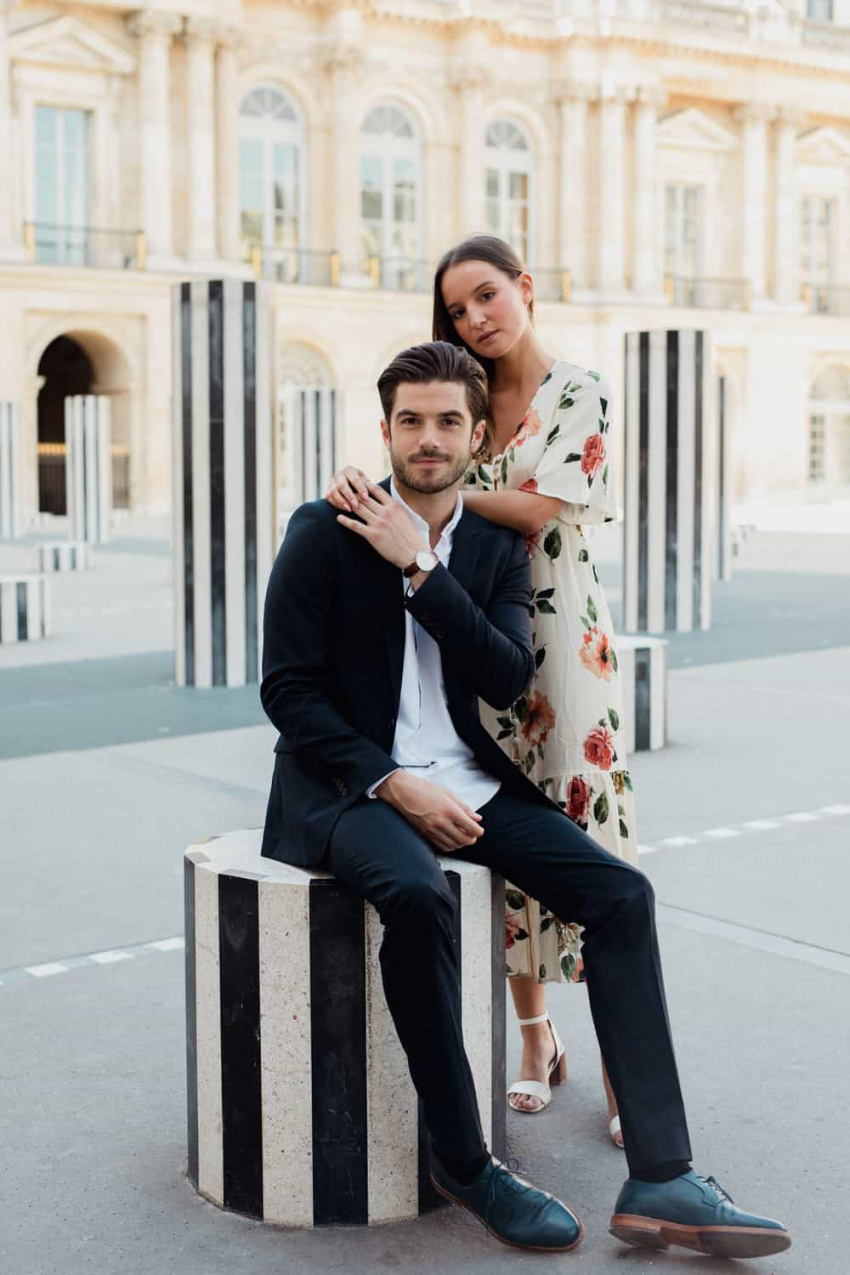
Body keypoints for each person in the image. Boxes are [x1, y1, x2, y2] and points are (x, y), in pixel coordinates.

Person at [260, 339, 790, 1258]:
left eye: (449, 422)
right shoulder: (322, 529)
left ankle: (663, 1173)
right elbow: (287, 690)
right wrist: (394, 783)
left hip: (467, 776)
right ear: (385, 429)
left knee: (621, 893)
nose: (429, 438)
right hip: (349, 787)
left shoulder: (497, 543)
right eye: (412, 420)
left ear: (475, 436)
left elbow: (505, 678)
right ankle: (466, 1162)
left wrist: (421, 568)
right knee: (417, 892)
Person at [326, 235, 630, 1138]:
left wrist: (414, 498)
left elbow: (537, 509)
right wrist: (397, 495)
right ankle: (536, 1038)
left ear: (526, 288)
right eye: (458, 309)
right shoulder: (463, 399)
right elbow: (423, 468)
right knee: (499, 843)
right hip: (466, 621)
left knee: (591, 843)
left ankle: (622, 1066)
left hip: (555, 632)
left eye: (488, 296)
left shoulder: (576, 390)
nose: (475, 318)